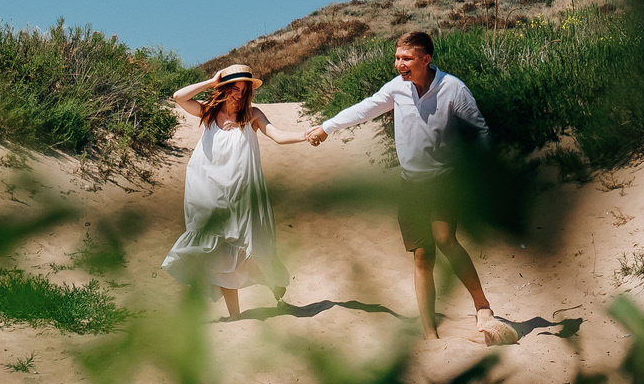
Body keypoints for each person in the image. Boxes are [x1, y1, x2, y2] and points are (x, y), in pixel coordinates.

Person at [305, 30, 500, 341]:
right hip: (411, 183)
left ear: (425, 59)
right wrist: (328, 127)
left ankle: (482, 306)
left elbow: (480, 131)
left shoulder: (453, 89)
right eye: (397, 58)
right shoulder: (398, 88)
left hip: (444, 179)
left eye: (406, 59)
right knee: (422, 256)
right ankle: (430, 334)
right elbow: (365, 108)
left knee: (445, 239)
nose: (399, 64)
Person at [161, 63, 310, 319]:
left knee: (251, 242)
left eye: (244, 89)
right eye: (234, 88)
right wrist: (210, 82)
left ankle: (274, 283)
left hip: (241, 190)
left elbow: (278, 135)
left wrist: (306, 135)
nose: (240, 94)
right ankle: (234, 315)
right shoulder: (208, 112)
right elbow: (178, 97)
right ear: (224, 88)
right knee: (218, 250)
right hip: (207, 188)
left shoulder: (252, 114)